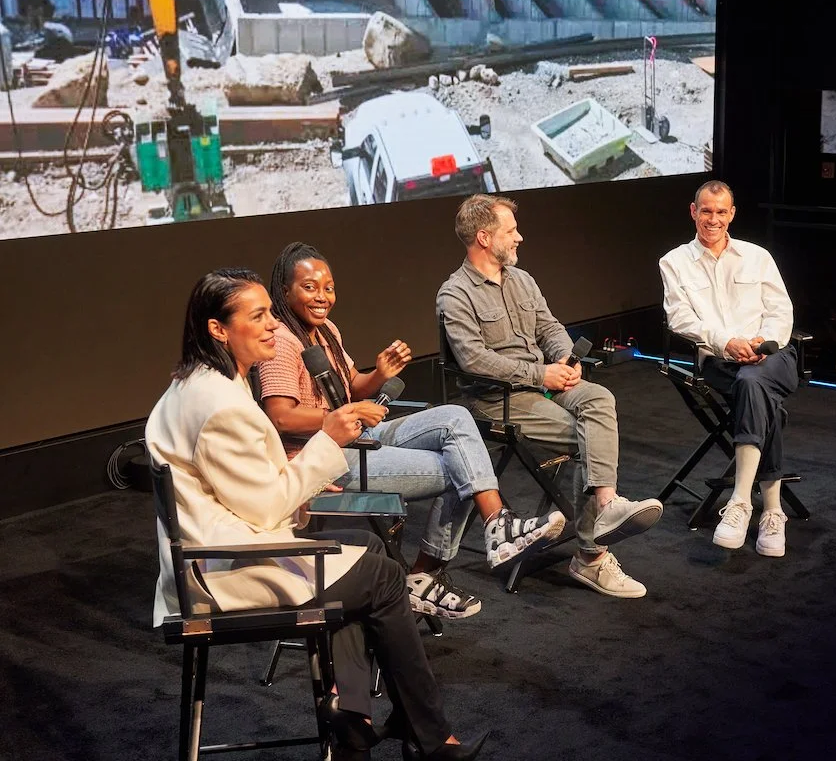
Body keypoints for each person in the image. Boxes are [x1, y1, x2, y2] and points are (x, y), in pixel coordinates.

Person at [145, 268, 487, 761]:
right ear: (218, 329)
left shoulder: (198, 383)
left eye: (270, 313)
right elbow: (265, 508)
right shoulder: (220, 405)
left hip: (214, 547)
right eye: (257, 316)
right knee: (385, 578)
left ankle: (355, 720)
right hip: (222, 567)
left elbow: (238, 482)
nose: (272, 325)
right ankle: (430, 736)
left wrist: (300, 474)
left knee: (366, 548)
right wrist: (326, 441)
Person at [257, 242, 565, 620]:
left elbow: (353, 385)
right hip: (324, 460)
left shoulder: (326, 331)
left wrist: (379, 373)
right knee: (463, 468)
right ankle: (426, 573)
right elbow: (280, 417)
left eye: (329, 287)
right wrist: (338, 415)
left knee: (454, 418)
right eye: (309, 287)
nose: (322, 296)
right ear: (284, 291)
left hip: (357, 436)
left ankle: (496, 526)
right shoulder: (282, 341)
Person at [437, 194, 663, 599]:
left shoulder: (522, 280)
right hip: (497, 399)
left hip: (543, 385)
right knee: (589, 438)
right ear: (484, 237)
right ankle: (591, 555)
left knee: (599, 399)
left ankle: (606, 504)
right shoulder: (455, 294)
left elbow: (550, 327)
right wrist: (540, 373)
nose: (519, 237)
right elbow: (474, 360)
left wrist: (564, 356)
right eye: (511, 231)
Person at [659, 180, 799, 556]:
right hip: (720, 361)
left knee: (754, 382)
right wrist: (727, 342)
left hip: (772, 356)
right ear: (693, 212)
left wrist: (762, 341)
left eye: (721, 212)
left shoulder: (757, 256)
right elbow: (679, 318)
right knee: (760, 396)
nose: (713, 219)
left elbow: (781, 310)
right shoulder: (674, 262)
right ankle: (773, 511)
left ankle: (740, 500)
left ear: (732, 214)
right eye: (706, 210)